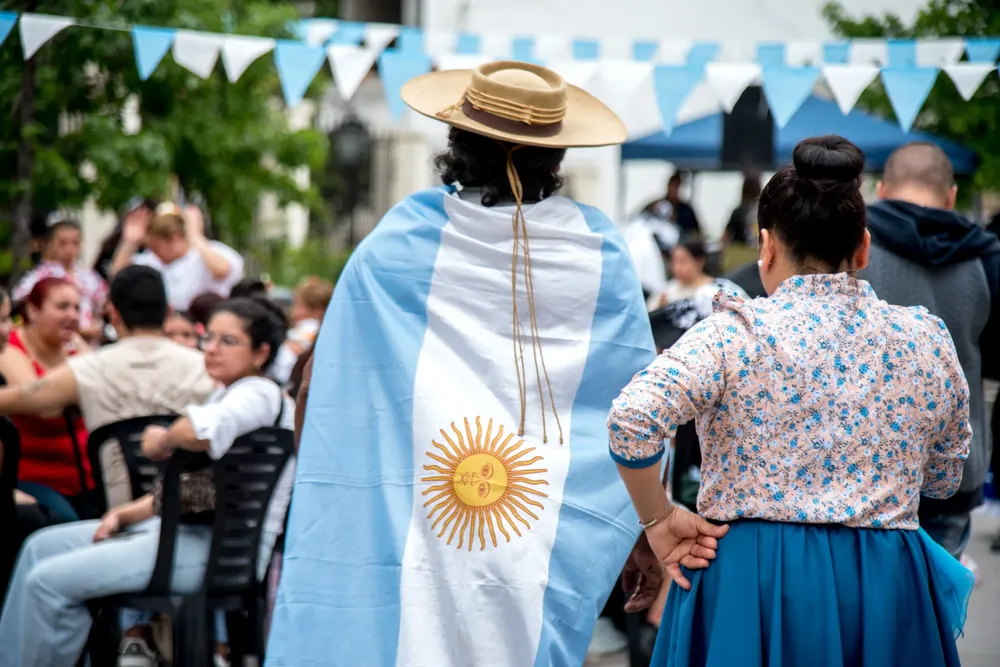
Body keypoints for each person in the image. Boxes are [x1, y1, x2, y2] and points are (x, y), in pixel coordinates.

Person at [267, 61, 670, 667]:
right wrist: (643, 526)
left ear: (456, 143)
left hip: (406, 518)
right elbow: (637, 407)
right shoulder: (599, 249)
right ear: (553, 155)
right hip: (537, 529)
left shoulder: (400, 239)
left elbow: (324, 387)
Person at [608, 135, 973, 666]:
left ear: (766, 246)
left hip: (749, 579)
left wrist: (658, 520)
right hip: (883, 581)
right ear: (863, 248)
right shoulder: (923, 339)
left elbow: (630, 420)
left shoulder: (732, 336)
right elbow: (942, 478)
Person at [0, 296, 295, 667]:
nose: (212, 349)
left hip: (214, 552)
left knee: (47, 582)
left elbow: (199, 432)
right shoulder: (226, 394)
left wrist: (164, 437)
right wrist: (126, 514)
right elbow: (200, 491)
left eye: (228, 341)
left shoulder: (258, 393)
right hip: (182, 534)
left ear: (261, 352)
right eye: (211, 338)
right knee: (39, 547)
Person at [858, 142, 1000, 561]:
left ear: (881, 191)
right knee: (933, 616)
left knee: (866, 618)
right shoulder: (987, 257)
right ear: (951, 195)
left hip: (864, 470)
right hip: (957, 470)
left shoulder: (852, 247)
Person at [0, 265, 215, 509]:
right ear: (168, 313)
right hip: (189, 511)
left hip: (114, 520)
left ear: (112, 313)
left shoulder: (89, 369)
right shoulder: (207, 370)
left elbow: (24, 397)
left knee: (39, 547)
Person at [0, 278, 90, 520]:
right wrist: (80, 371)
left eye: (76, 308)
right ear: (32, 311)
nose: (72, 315)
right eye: (62, 307)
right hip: (35, 477)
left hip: (85, 477)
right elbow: (43, 405)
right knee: (65, 525)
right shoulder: (10, 348)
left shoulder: (75, 349)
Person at [110, 202, 243, 311]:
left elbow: (222, 270)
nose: (154, 252)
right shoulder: (151, 261)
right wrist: (129, 243)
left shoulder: (209, 251)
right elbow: (118, 279)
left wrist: (194, 236)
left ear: (175, 236)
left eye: (156, 246)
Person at [13, 214, 109, 344]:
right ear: (51, 244)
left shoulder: (89, 277)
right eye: (62, 243)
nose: (69, 250)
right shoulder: (40, 276)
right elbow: (21, 301)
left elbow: (103, 306)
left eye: (75, 243)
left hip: (87, 347)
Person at [269, 276, 333, 385]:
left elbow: (288, 356)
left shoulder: (309, 326)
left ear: (316, 311)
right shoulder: (325, 332)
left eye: (298, 304)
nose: (292, 311)